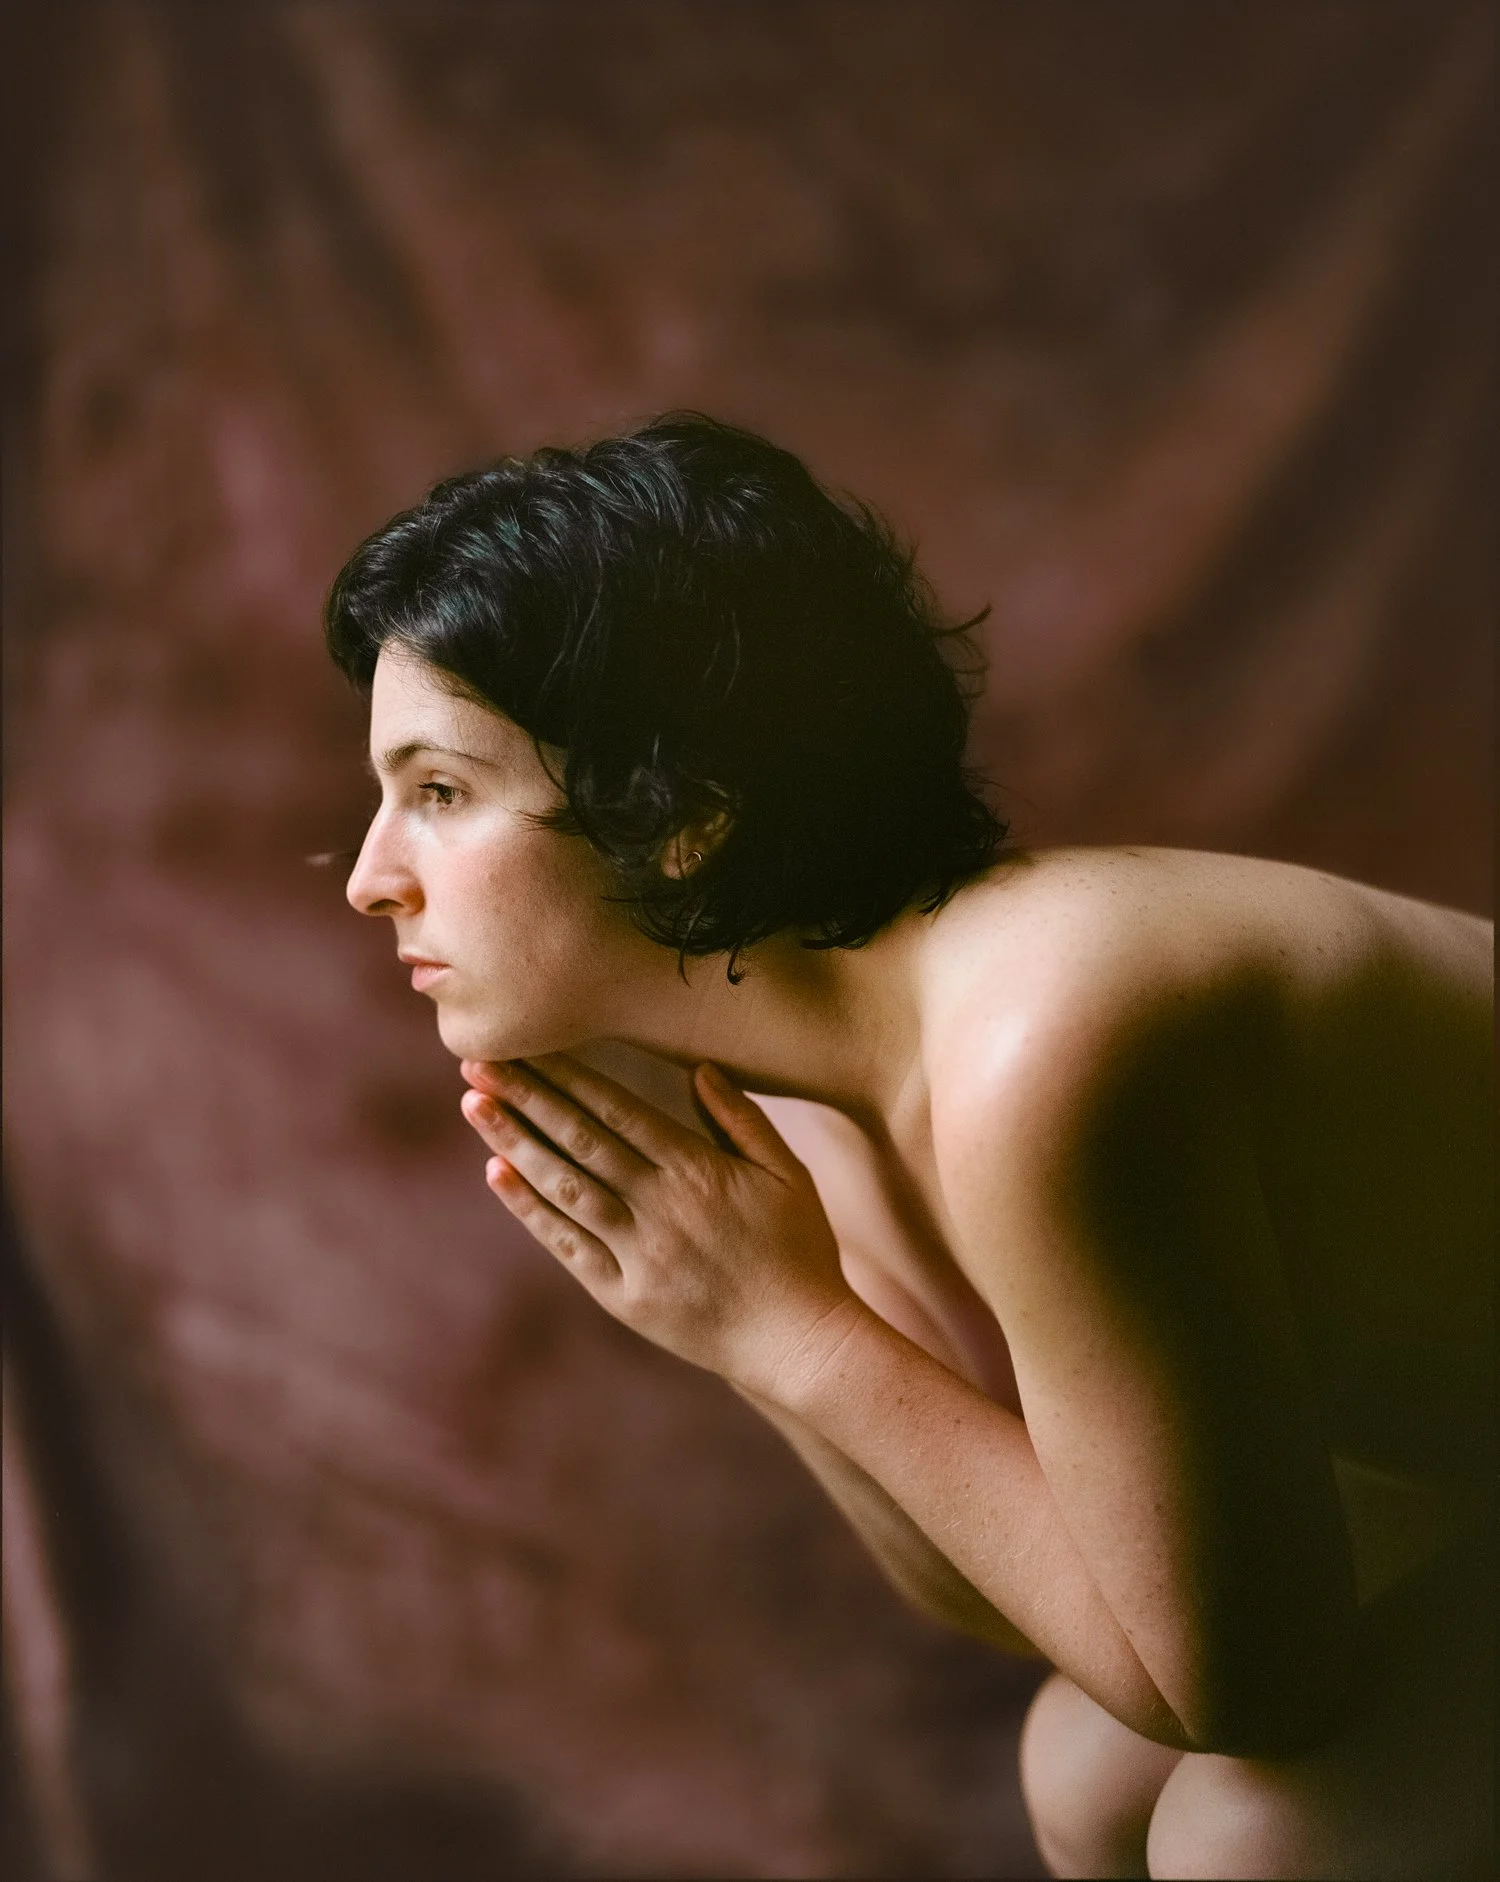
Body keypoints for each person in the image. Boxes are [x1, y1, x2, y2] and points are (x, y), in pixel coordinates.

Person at [326, 413, 1493, 1880]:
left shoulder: (1044, 1038)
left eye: (439, 793)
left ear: (681, 815)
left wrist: (788, 1327)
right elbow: (1014, 1597)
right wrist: (740, 1322)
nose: (370, 880)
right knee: (1082, 1766)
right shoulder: (818, 1099)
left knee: (1251, 1835)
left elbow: (1243, 1693)